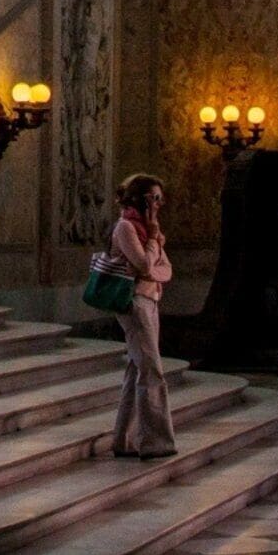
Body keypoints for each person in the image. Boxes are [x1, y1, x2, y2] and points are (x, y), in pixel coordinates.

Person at [105, 175, 178, 458]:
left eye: (160, 198)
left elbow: (165, 269)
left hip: (150, 300)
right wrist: (153, 242)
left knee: (137, 369)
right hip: (134, 303)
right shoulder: (126, 227)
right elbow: (145, 265)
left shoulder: (147, 231)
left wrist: (153, 244)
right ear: (140, 199)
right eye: (154, 198)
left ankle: (124, 439)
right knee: (151, 371)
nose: (159, 204)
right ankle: (156, 442)